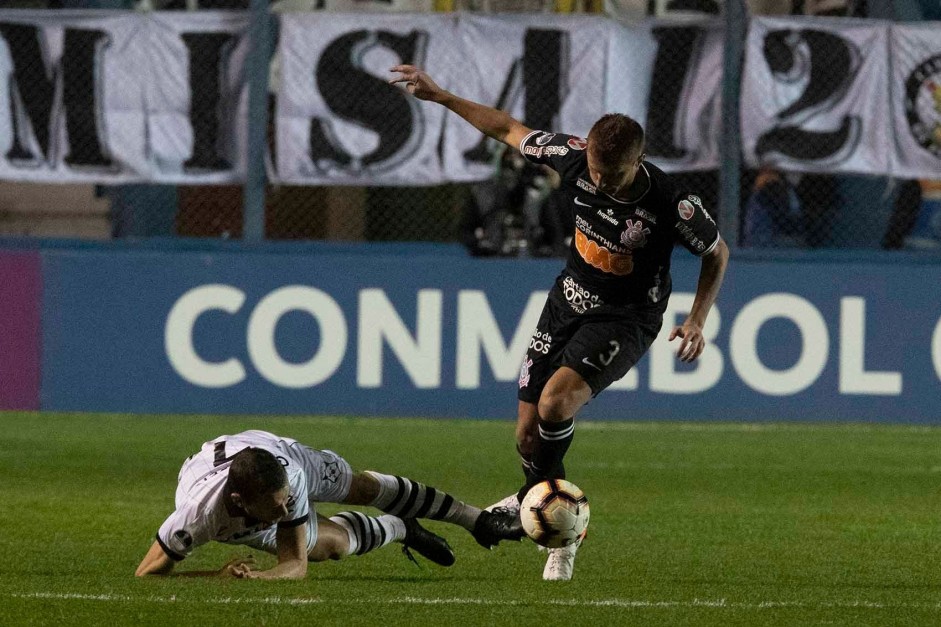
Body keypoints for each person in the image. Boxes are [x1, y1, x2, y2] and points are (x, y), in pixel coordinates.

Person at [389, 64, 730, 581]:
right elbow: (506, 128)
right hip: (567, 301)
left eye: (612, 174)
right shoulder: (573, 158)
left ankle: (563, 534)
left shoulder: (671, 203)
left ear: (639, 160)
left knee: (556, 401)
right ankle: (542, 501)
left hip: (626, 318)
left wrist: (697, 318)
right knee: (527, 438)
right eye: (594, 167)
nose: (599, 179)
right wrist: (440, 97)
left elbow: (718, 252)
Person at [135, 430, 523, 578]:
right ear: (240, 502)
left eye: (286, 503)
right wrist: (215, 575)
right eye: (276, 509)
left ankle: (475, 518)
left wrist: (263, 577)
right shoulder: (197, 517)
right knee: (332, 547)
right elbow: (147, 575)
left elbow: (292, 567)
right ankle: (402, 527)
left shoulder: (291, 482)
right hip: (225, 495)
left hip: (287, 457)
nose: (286, 512)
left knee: (361, 489)